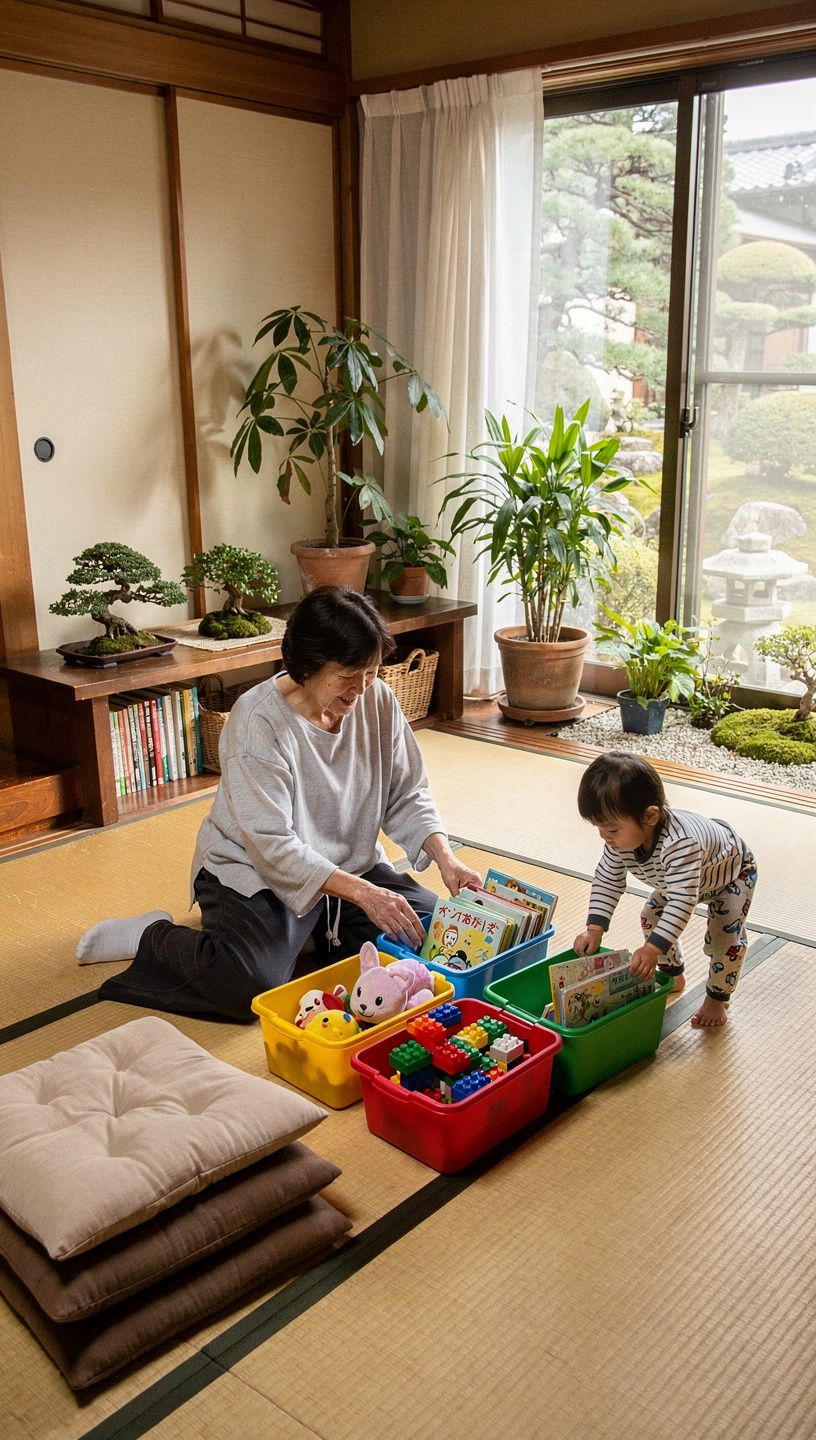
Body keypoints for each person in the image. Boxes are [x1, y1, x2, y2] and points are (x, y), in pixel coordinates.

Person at [76, 585, 482, 1020]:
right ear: (307, 666)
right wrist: (368, 895)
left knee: (437, 939)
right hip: (256, 874)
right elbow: (272, 847)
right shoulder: (258, 722)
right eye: (349, 675)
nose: (362, 689)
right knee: (250, 985)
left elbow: (407, 792)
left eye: (371, 672)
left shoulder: (376, 699)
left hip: (350, 872)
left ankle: (306, 935)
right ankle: (152, 937)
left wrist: (446, 857)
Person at [573, 751, 757, 1029]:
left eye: (610, 829)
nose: (604, 837)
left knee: (724, 939)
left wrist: (651, 949)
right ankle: (674, 975)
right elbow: (607, 879)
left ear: (650, 816)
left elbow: (683, 901)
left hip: (731, 873)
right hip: (682, 880)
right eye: (599, 828)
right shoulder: (618, 842)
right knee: (652, 914)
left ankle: (718, 999)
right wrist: (594, 928)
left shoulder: (680, 844)